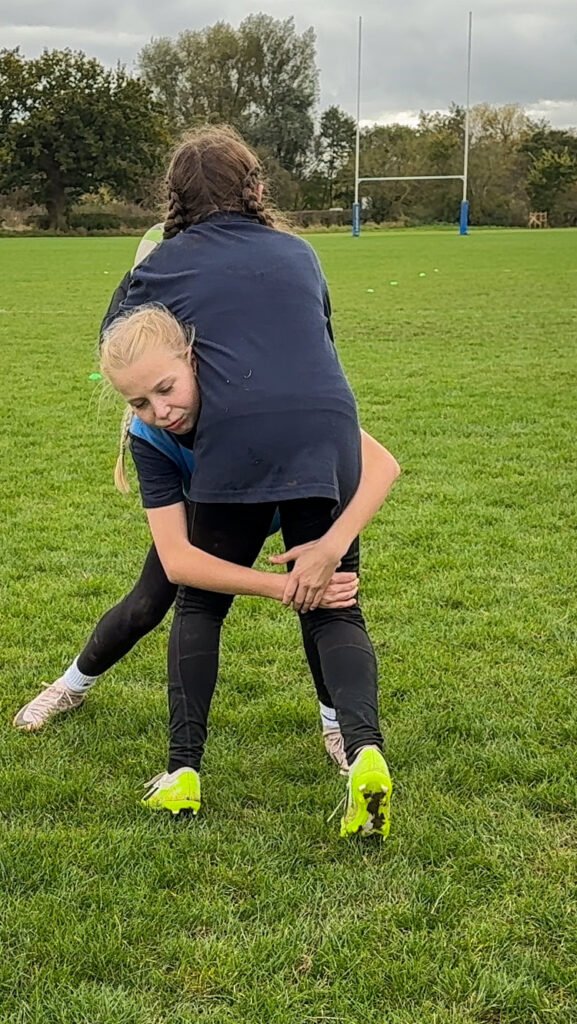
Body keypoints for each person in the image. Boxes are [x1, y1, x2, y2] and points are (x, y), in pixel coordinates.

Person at [102, 124, 401, 838]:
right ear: (256, 189)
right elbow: (315, 340)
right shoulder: (300, 251)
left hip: (234, 431)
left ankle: (183, 772)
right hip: (330, 425)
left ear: (174, 201)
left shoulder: (163, 262)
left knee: (201, 605)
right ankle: (364, 752)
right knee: (336, 605)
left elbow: (117, 340)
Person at [13, 227, 352, 774]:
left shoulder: (256, 401)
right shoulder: (150, 437)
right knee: (147, 603)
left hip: (290, 494)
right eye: (140, 402)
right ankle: (70, 684)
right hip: (209, 514)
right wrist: (281, 586)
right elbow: (178, 561)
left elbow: (378, 463)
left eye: (166, 390)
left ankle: (337, 725)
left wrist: (330, 548)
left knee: (325, 604)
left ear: (193, 358)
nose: (160, 411)